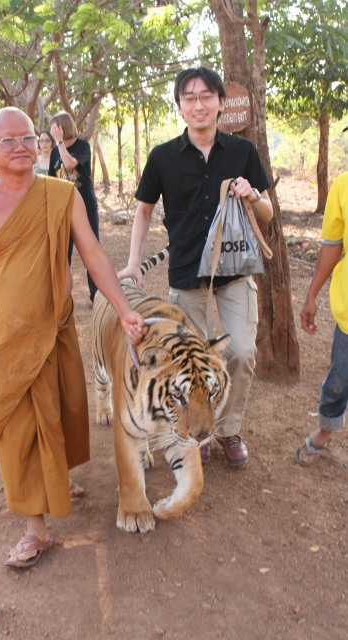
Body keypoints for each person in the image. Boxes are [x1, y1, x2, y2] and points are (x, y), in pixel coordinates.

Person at [0, 107, 147, 568]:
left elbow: (92, 255)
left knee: (56, 408)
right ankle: (35, 529)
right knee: (18, 423)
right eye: (8, 140)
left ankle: (55, 476)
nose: (21, 146)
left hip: (54, 322)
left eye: (28, 137)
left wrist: (124, 310)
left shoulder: (62, 195)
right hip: (4, 330)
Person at [119, 66, 273, 466]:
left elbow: (268, 213)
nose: (199, 104)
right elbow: (143, 211)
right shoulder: (162, 157)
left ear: (222, 103)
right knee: (188, 363)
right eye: (190, 97)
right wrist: (134, 262)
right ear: (180, 107)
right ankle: (194, 428)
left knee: (239, 352)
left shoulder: (242, 153)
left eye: (207, 96)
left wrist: (251, 194)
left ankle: (228, 429)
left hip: (235, 271)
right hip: (186, 274)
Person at [294, 171, 348, 465]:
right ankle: (325, 430)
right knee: (339, 381)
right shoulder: (343, 186)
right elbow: (332, 245)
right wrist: (311, 294)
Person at [49, 111, 99, 303]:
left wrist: (59, 142)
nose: (52, 131)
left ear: (63, 127)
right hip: (63, 209)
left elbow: (70, 165)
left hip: (86, 208)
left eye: (55, 126)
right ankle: (62, 296)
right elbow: (51, 180)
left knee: (91, 252)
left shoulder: (82, 146)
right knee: (63, 255)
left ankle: (96, 296)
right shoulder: (54, 151)